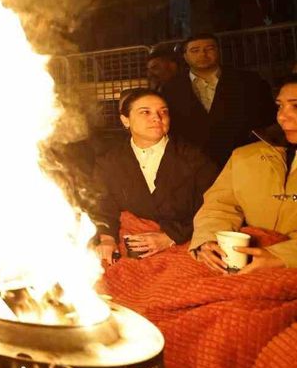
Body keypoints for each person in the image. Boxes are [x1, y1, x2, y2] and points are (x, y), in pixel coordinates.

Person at [91, 89, 218, 264]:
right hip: (129, 242)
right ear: (125, 120)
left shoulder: (194, 157)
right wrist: (107, 239)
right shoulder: (109, 162)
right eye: (145, 112)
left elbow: (214, 206)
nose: (157, 118)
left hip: (186, 240)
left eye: (163, 112)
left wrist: (170, 237)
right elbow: (103, 206)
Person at [190, 75, 297, 273]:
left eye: (295, 106)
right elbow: (219, 205)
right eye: (280, 106)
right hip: (245, 258)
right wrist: (209, 240)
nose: (282, 116)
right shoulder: (246, 156)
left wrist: (282, 256)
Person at [162, 33, 275, 167]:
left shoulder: (248, 81)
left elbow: (267, 117)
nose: (203, 54)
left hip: (243, 157)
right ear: (185, 55)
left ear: (218, 51)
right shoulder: (171, 87)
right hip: (194, 162)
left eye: (209, 49)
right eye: (195, 50)